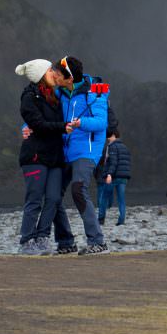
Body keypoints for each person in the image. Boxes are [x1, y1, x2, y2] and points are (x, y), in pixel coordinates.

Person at [16, 59, 76, 255]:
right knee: (34, 199)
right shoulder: (29, 96)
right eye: (50, 70)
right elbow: (38, 124)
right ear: (41, 74)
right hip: (35, 156)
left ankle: (42, 238)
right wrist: (62, 127)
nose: (54, 73)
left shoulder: (55, 95)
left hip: (55, 157)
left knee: (53, 199)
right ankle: (26, 241)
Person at [57, 56, 109, 255]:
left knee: (78, 190)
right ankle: (66, 242)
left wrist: (80, 123)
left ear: (69, 78)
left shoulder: (93, 92)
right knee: (53, 195)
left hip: (87, 151)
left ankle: (98, 241)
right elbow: (44, 114)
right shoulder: (61, 93)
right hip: (65, 151)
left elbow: (101, 122)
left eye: (59, 74)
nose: (55, 76)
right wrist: (26, 126)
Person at [100, 129, 131, 225]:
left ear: (113, 135)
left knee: (104, 197)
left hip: (113, 177)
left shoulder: (112, 147)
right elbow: (127, 163)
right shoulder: (125, 147)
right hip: (124, 177)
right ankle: (121, 221)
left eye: (109, 137)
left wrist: (109, 174)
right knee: (121, 199)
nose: (107, 139)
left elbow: (113, 162)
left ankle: (101, 219)